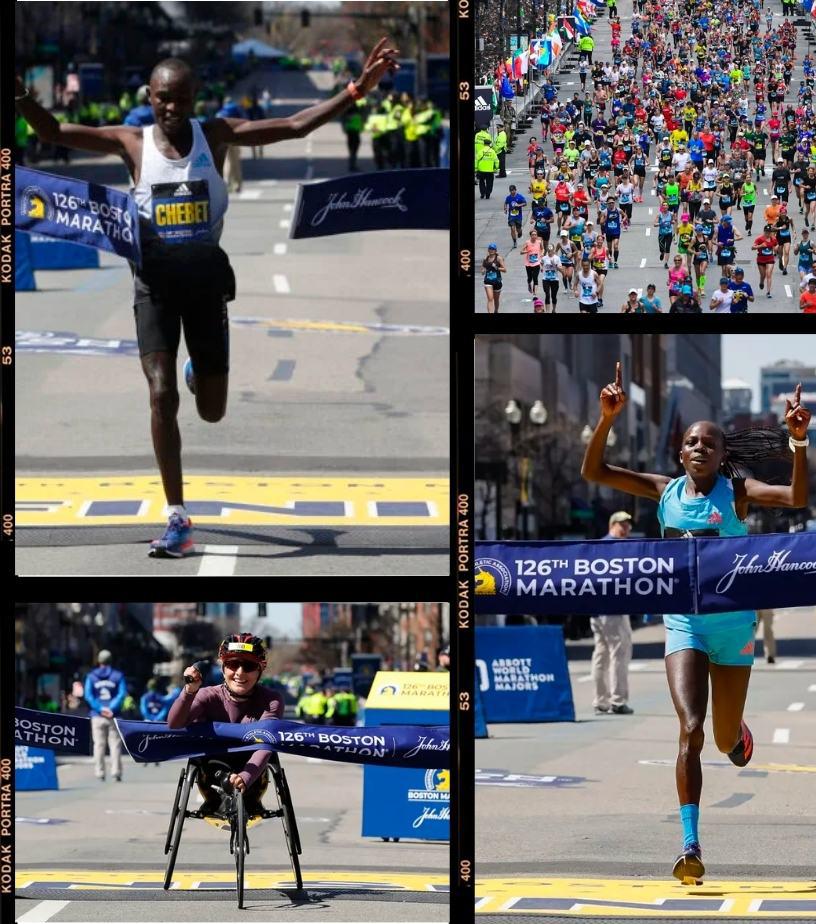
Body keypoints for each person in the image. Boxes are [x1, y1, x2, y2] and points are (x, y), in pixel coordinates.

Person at [13, 39, 401, 558]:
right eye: (162, 99)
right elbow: (54, 132)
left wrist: (355, 90)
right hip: (153, 284)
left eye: (181, 99)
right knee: (159, 394)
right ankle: (177, 515)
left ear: (195, 98)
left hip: (203, 285)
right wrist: (21, 99)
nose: (171, 109)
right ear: (149, 97)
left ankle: (201, 368)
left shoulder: (213, 137)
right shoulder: (132, 143)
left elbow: (295, 126)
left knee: (212, 411)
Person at [580, 361, 810, 885]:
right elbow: (594, 472)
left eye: (710, 442)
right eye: (691, 441)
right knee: (690, 729)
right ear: (680, 453)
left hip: (732, 628)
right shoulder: (664, 492)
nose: (700, 447)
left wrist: (798, 442)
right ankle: (690, 844)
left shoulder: (740, 492)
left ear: (723, 453)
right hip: (684, 625)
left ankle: (738, 736)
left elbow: (796, 498)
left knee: (725, 738)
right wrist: (606, 419)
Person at [171, 634, 282, 817]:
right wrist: (189, 692)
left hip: (253, 775)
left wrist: (245, 777)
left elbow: (266, 743)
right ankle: (222, 785)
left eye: (248, 666)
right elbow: (175, 724)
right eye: (232, 665)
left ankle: (242, 793)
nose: (240, 672)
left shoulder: (271, 700)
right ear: (223, 669)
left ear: (260, 670)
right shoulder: (207, 695)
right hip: (211, 775)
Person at [592, 511, 638, 716]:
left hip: (597, 608)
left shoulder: (600, 546)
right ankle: (617, 700)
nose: (626, 529)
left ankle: (601, 700)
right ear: (613, 525)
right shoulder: (614, 547)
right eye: (623, 525)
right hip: (613, 608)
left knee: (601, 653)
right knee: (619, 652)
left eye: (628, 525)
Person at [87, 650, 128, 782]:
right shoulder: (118, 676)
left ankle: (100, 772)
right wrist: (111, 708)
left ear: (99, 661)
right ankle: (116, 772)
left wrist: (100, 708)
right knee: (115, 744)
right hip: (113, 715)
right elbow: (121, 694)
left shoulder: (92, 676)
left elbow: (88, 695)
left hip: (97, 715)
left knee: (99, 744)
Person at [482, 244, 506, 313]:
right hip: (488, 281)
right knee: (490, 298)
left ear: (495, 250)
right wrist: (483, 271)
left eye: (493, 249)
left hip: (497, 281)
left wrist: (496, 267)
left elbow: (504, 270)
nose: (491, 250)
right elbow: (482, 269)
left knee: (496, 299)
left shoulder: (499, 258)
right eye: (490, 249)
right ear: (488, 250)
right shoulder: (485, 259)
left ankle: (496, 310)